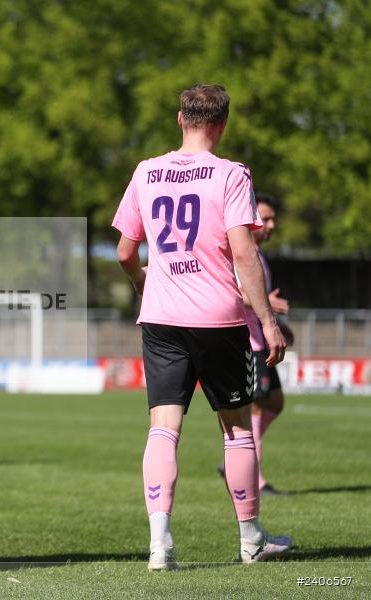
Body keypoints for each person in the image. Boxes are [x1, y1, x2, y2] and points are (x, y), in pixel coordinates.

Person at [112, 84, 291, 571]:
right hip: (218, 319)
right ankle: (251, 540)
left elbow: (126, 252)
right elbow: (244, 252)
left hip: (162, 317)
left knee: (163, 429)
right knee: (237, 430)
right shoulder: (231, 173)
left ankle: (159, 546)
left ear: (180, 119)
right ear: (223, 125)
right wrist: (268, 321)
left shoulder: (146, 171)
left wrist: (141, 282)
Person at [218, 193, 292, 495]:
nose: (271, 225)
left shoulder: (259, 255)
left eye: (273, 219)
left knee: (275, 402)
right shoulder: (240, 252)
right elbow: (232, 293)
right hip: (247, 341)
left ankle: (235, 460)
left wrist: (277, 324)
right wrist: (266, 304)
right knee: (257, 407)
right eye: (266, 218)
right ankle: (255, 479)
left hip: (261, 339)